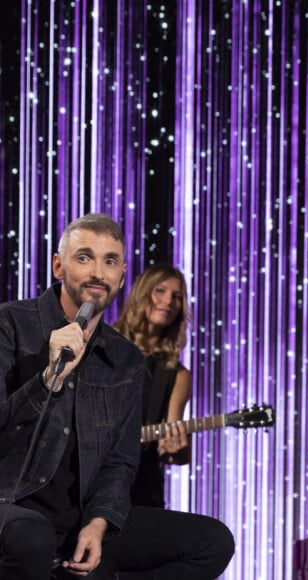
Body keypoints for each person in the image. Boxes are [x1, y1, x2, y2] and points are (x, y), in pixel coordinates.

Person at [0, 214, 234, 579]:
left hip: (79, 518)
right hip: (12, 506)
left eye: (110, 261)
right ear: (58, 266)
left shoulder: (125, 358)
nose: (98, 272)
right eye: (84, 257)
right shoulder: (11, 324)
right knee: (32, 536)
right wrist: (49, 379)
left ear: (122, 276)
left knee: (213, 541)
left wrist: (99, 522)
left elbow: (120, 462)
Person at [114, 264, 192, 508]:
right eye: (160, 291)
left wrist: (176, 447)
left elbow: (177, 453)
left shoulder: (177, 374)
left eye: (177, 297)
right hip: (88, 487)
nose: (168, 300)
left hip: (141, 490)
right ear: (142, 293)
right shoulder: (103, 345)